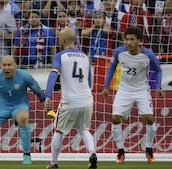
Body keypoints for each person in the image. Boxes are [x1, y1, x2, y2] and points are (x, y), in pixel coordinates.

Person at [101, 26, 164, 164]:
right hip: (124, 90)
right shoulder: (119, 52)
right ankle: (120, 151)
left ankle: (148, 149)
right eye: (127, 39)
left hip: (142, 90)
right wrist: (106, 86)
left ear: (139, 41)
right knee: (116, 118)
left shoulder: (148, 54)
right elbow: (111, 67)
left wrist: (158, 87)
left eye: (132, 40)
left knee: (149, 118)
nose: (129, 42)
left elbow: (158, 70)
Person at [44, 27, 97, 169]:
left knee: (59, 130)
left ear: (62, 40)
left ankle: (53, 163)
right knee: (84, 129)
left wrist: (48, 95)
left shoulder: (60, 56)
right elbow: (90, 82)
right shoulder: (85, 56)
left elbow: (53, 75)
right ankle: (93, 153)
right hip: (87, 99)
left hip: (69, 101)